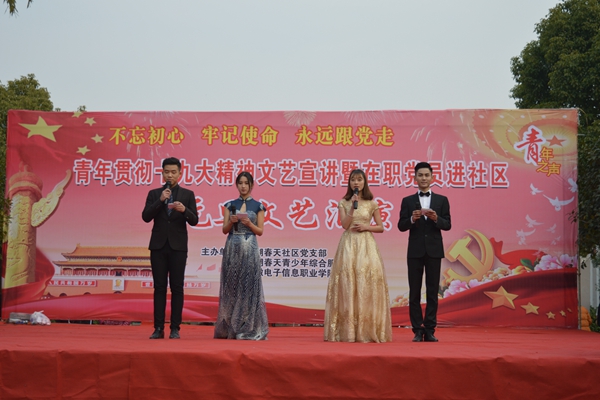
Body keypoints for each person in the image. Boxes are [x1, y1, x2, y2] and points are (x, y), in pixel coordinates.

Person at [324, 169, 392, 343]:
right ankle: (347, 331)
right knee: (348, 282)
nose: (356, 182)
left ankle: (366, 330)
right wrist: (351, 209)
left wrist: (366, 227)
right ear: (349, 183)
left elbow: (381, 227)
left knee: (365, 282)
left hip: (366, 244)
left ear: (364, 182)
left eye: (359, 179)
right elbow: (344, 225)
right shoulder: (344, 202)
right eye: (353, 179)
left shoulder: (372, 203)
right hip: (348, 244)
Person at [142, 157, 199, 339]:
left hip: (178, 247)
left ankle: (175, 328)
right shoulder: (154, 194)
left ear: (180, 173)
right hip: (158, 246)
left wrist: (184, 211)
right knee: (159, 288)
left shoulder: (187, 194)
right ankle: (158, 328)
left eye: (174, 172)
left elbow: (195, 220)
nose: (170, 175)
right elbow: (145, 216)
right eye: (167, 172)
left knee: (177, 287)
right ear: (162, 173)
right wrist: (160, 200)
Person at [398, 162, 451, 342]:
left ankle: (429, 329)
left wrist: (436, 219)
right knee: (414, 292)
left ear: (432, 177)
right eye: (420, 175)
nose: (423, 178)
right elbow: (401, 225)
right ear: (415, 178)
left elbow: (448, 224)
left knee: (432, 291)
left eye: (426, 175)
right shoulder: (407, 200)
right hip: (415, 251)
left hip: (434, 251)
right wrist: (412, 219)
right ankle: (416, 329)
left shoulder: (442, 200)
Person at [214, 171, 269, 340]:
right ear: (236, 185)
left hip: (250, 247)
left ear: (251, 185)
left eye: (246, 183)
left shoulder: (258, 206)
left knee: (249, 286)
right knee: (232, 286)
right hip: (233, 247)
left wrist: (249, 223)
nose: (243, 186)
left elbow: (260, 231)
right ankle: (229, 327)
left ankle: (248, 326)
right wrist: (231, 222)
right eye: (240, 183)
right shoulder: (229, 205)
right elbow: (224, 230)